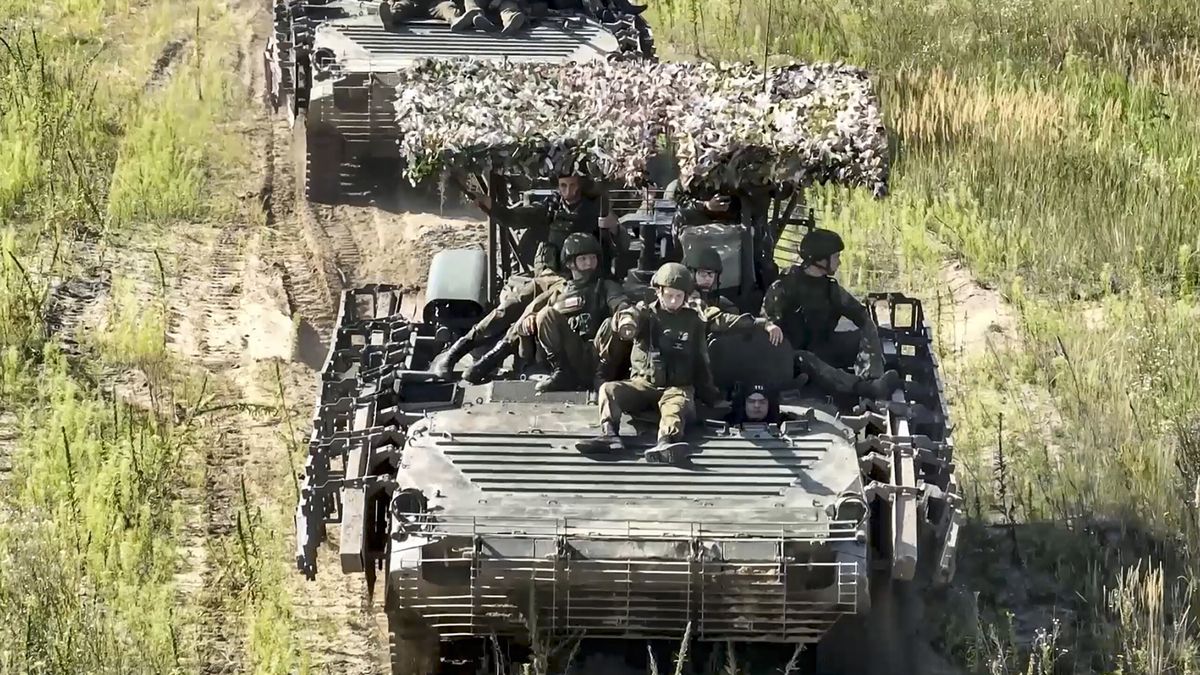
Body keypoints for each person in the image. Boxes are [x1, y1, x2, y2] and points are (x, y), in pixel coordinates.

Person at [576, 263, 716, 464]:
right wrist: (624, 322)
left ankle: (666, 442)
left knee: (675, 405)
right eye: (669, 295)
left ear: (686, 295)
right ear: (659, 292)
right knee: (608, 389)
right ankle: (609, 435)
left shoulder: (694, 320)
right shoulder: (645, 313)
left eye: (678, 296)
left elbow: (703, 358)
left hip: (676, 387)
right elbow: (628, 315)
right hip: (643, 385)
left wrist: (710, 393)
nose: (673, 300)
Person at [762, 228, 901, 400]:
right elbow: (765, 321)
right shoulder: (784, 287)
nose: (839, 262)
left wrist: (868, 340)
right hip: (792, 358)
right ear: (820, 259)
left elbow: (861, 315)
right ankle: (862, 388)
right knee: (805, 358)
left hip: (823, 347)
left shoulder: (831, 289)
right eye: (836, 257)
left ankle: (872, 380)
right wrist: (771, 326)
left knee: (864, 332)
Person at [526, 233, 628, 393]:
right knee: (545, 314)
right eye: (583, 259)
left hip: (598, 353)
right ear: (570, 263)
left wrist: (623, 310)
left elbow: (619, 302)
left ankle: (601, 377)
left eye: (593, 258)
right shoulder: (559, 291)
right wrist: (531, 321)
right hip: (571, 353)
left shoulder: (606, 286)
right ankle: (560, 373)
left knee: (612, 323)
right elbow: (544, 319)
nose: (589, 264)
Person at [475, 172, 621, 278]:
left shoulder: (596, 208)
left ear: (580, 186)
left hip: (588, 277)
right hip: (553, 276)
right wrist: (490, 205)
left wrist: (614, 228)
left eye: (573, 185)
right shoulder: (551, 206)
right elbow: (514, 218)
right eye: (563, 186)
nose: (568, 191)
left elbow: (622, 244)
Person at [429, 270, 564, 380]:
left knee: (535, 308)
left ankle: (492, 358)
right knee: (508, 307)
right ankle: (456, 351)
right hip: (551, 277)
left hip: (568, 285)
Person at [379, 0, 496, 31]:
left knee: (448, 6)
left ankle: (456, 21)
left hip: (435, 4)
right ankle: (390, 19)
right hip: (411, 3)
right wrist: (390, 3)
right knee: (400, 7)